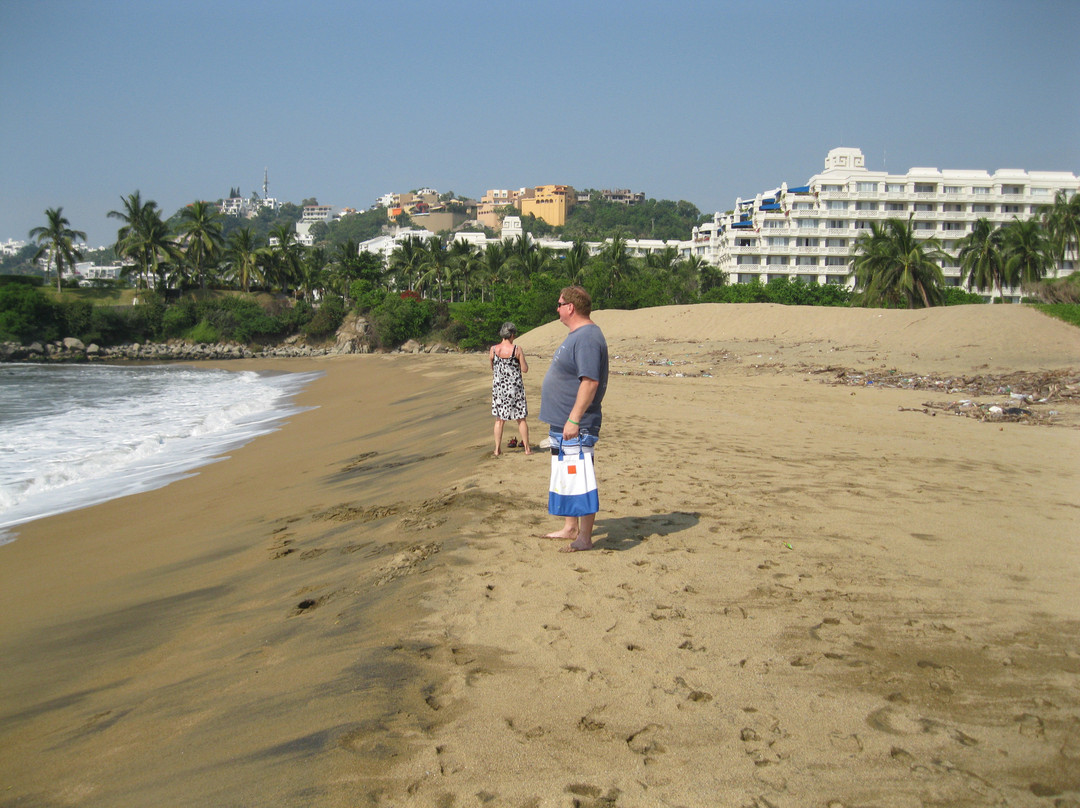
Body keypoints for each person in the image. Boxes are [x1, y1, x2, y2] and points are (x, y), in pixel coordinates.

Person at [539, 286, 608, 552]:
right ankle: (570, 527)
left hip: (577, 424)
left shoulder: (588, 337)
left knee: (580, 476)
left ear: (570, 307)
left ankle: (585, 537)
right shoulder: (578, 335)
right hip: (562, 422)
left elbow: (590, 382)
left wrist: (575, 419)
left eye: (559, 304)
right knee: (567, 474)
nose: (556, 309)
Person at [489, 321, 532, 456]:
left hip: (499, 389)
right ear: (512, 334)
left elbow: (493, 366)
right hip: (514, 388)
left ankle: (497, 449)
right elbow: (524, 369)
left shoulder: (493, 349)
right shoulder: (516, 349)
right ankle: (527, 449)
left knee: (499, 420)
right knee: (521, 419)